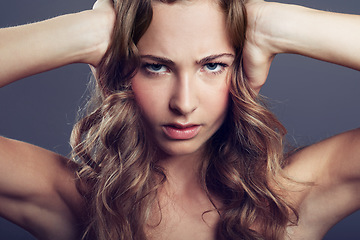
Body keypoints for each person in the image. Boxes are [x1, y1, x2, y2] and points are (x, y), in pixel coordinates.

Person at [0, 0, 359, 239]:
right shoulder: (77, 201)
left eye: (212, 65)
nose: (184, 103)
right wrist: (86, 34)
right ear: (122, 69)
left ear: (240, 69)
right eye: (155, 66)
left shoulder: (290, 198)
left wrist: (277, 25)